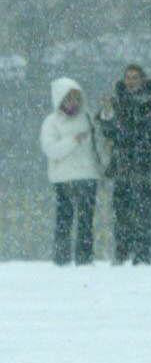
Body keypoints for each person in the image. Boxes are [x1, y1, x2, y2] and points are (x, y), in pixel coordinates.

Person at [97, 63, 151, 265]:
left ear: (142, 80)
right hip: (122, 165)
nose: (131, 81)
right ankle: (121, 252)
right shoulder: (116, 102)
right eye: (128, 77)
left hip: (145, 165)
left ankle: (142, 254)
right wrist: (107, 114)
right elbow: (109, 132)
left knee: (144, 212)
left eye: (135, 77)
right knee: (121, 212)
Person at [40, 77, 101, 266]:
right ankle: (62, 258)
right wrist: (73, 141)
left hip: (88, 175)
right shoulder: (51, 122)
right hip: (64, 178)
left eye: (76, 97)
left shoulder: (87, 117)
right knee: (64, 219)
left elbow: (98, 145)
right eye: (69, 97)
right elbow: (51, 149)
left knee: (86, 221)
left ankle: (85, 258)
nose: (73, 102)